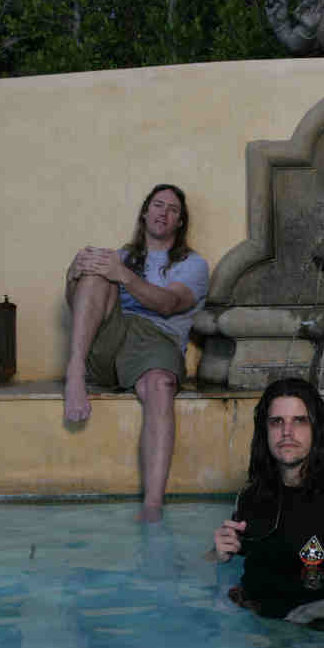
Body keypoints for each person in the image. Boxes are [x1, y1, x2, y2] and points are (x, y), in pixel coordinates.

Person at [62, 184, 209, 522]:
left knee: (159, 385)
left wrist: (123, 276)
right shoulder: (122, 256)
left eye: (173, 209)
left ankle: (153, 505)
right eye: (158, 205)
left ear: (180, 221)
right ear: (145, 212)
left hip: (156, 341)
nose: (163, 213)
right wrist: (73, 275)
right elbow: (80, 306)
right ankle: (75, 372)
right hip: (111, 341)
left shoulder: (193, 264)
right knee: (95, 274)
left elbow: (169, 303)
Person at [211, 378, 324, 626]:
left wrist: (322, 607)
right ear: (264, 431)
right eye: (277, 422)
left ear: (316, 428)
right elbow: (235, 554)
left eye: (299, 420)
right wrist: (219, 553)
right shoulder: (252, 495)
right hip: (257, 624)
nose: (287, 432)